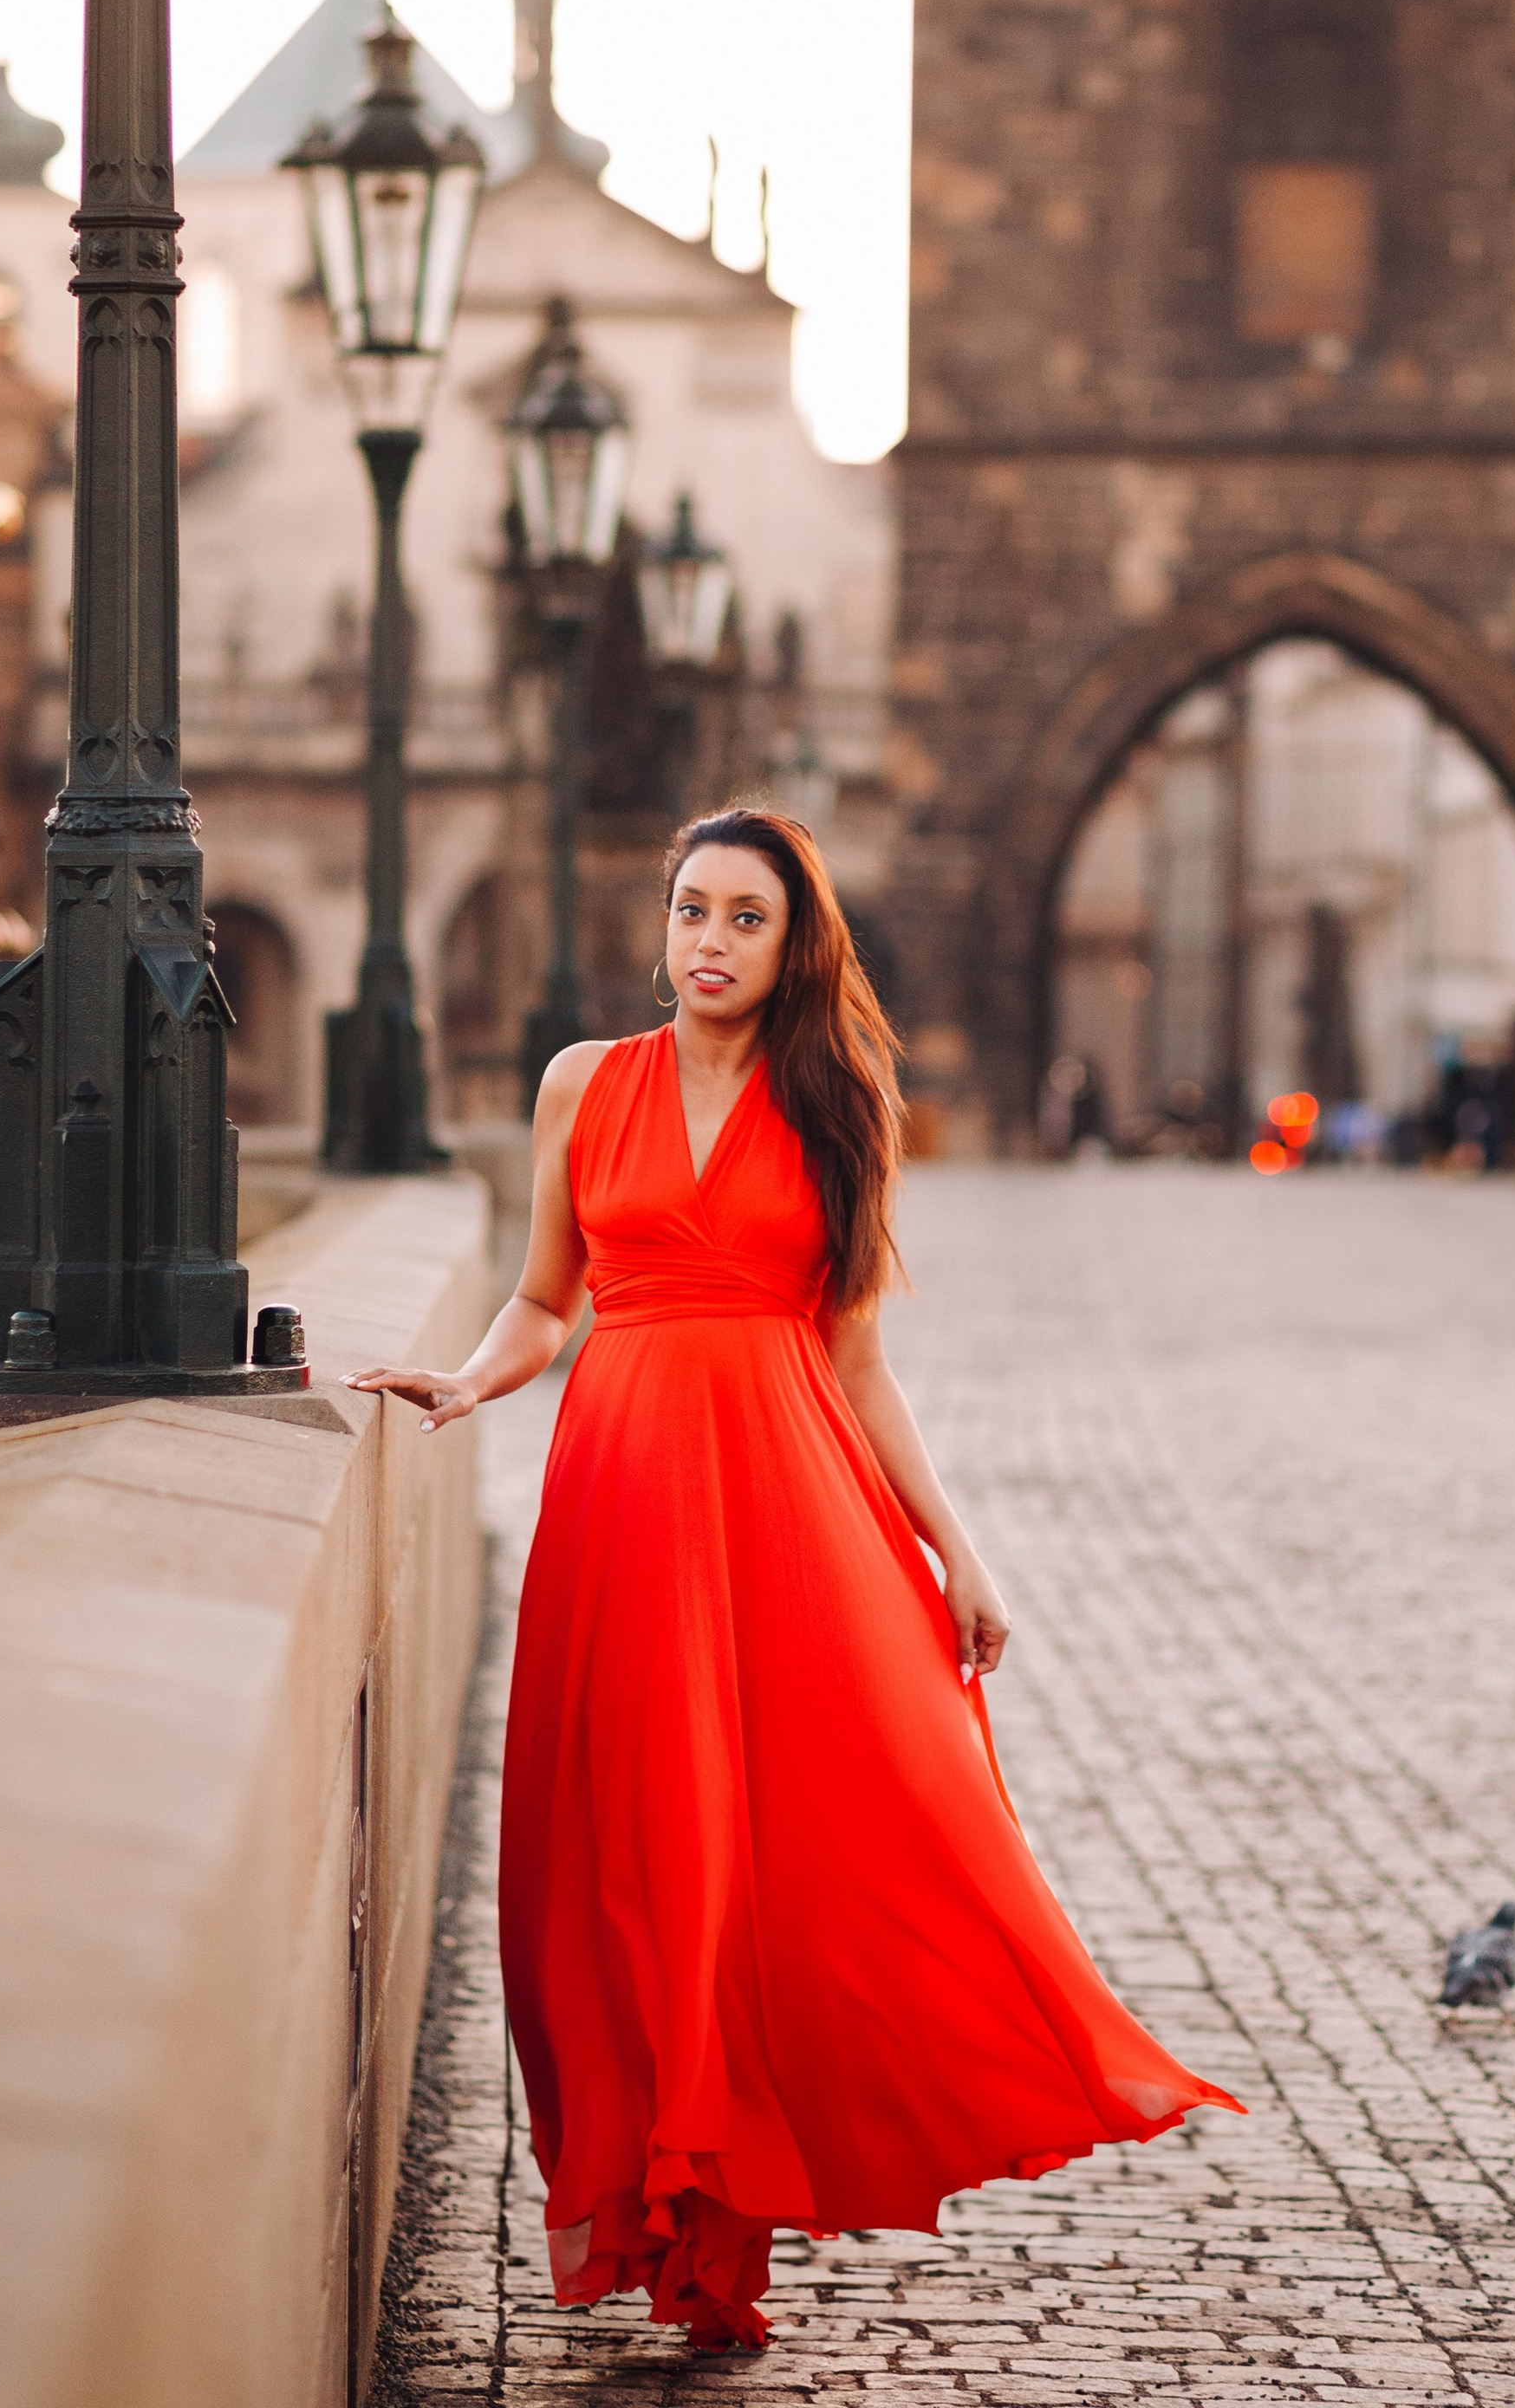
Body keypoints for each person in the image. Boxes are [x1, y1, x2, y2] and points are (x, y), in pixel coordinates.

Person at [348, 805, 1240, 2353]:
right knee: (621, 1860)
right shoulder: (584, 1085)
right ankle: (652, 2197)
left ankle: (725, 2238)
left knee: (769, 1860)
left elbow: (859, 1362)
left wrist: (955, 1549)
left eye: (745, 919)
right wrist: (468, 1382)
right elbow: (547, 1296)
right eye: (692, 909)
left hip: (782, 1508)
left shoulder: (841, 1103)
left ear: (794, 942)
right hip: (619, 1501)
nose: (709, 941)